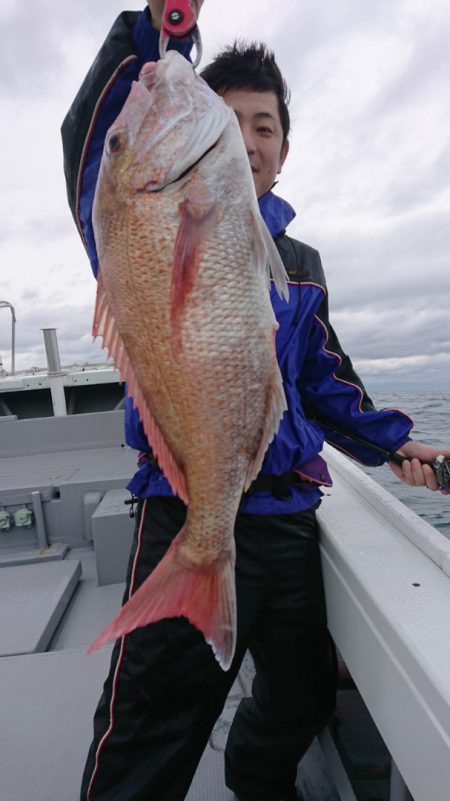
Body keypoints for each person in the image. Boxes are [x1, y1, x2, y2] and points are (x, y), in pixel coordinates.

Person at [61, 3, 450, 800]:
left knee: (303, 697)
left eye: (265, 124)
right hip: (184, 504)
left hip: (284, 523)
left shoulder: (297, 260)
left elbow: (325, 379)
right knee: (148, 730)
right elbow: (90, 135)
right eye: (229, 115)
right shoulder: (135, 206)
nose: (247, 136)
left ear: (282, 147)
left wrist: (396, 444)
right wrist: (149, 31)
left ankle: (252, 776)